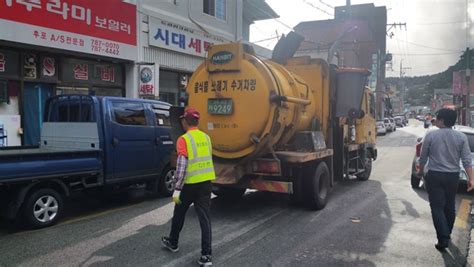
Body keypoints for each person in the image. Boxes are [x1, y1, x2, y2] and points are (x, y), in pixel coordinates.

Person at [161, 107, 216, 266]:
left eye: (183, 120)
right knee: (205, 219)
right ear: (197, 121)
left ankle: (173, 242)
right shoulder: (206, 137)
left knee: (179, 213)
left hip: (189, 185)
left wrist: (177, 189)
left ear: (185, 121)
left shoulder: (184, 139)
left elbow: (182, 165)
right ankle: (206, 256)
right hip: (206, 183)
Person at [418, 108, 473, 252]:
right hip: (453, 176)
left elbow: (423, 156)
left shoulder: (431, 135)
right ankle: (446, 233)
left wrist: (420, 169)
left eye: (437, 117)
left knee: (436, 206)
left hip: (435, 175)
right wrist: (471, 179)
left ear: (442, 120)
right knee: (449, 206)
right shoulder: (461, 137)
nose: (435, 119)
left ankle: (443, 237)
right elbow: (467, 160)